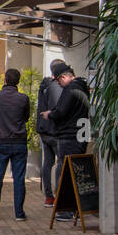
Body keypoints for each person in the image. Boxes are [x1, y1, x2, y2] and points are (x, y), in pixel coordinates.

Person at [42, 62, 91, 221]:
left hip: (69, 136)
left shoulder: (70, 89)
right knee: (79, 173)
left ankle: (68, 209)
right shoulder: (83, 87)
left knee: (66, 173)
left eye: (58, 81)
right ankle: (80, 206)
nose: (58, 84)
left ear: (64, 77)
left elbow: (61, 111)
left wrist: (50, 114)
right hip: (82, 135)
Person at [0, 68, 31, 220]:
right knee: (19, 178)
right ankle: (19, 213)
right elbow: (26, 117)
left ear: (5, 80)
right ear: (18, 81)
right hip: (18, 141)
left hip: (0, 141)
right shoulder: (23, 98)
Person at [35, 66, 65, 207]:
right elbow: (58, 110)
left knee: (47, 162)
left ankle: (48, 196)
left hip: (43, 130)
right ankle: (58, 194)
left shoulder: (44, 86)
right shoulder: (56, 88)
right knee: (60, 162)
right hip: (55, 130)